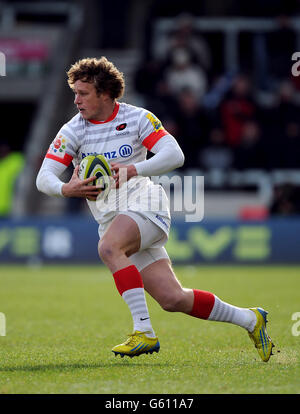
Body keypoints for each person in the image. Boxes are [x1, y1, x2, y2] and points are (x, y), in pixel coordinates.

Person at [36, 57, 274, 362]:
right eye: (75, 93)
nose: (76, 100)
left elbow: (174, 154)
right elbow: (44, 177)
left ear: (105, 93)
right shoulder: (74, 129)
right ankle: (251, 319)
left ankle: (144, 332)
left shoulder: (136, 119)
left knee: (108, 249)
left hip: (146, 206)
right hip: (112, 218)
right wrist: (65, 188)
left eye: (83, 93)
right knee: (173, 299)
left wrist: (134, 170)